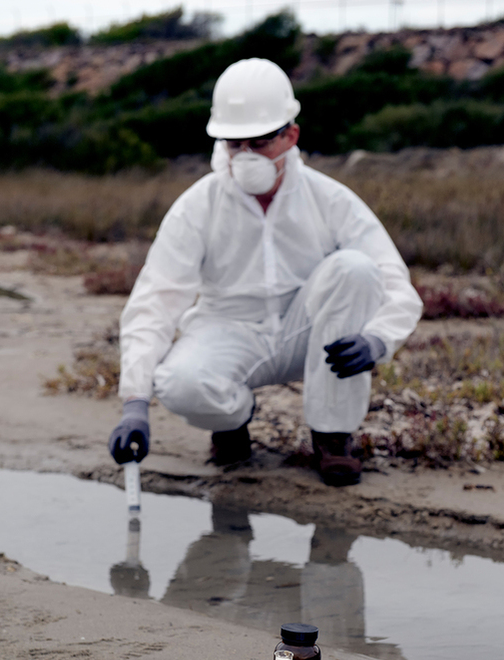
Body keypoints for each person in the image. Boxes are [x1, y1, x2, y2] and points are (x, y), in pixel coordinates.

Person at [109, 57, 422, 486]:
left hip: (307, 333)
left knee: (354, 268)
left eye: (259, 142)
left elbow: (391, 279)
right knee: (180, 383)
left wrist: (379, 338)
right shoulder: (197, 205)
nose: (245, 156)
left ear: (290, 135)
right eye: (234, 145)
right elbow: (155, 300)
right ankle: (232, 419)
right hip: (229, 331)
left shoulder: (330, 199)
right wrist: (135, 401)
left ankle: (333, 435)